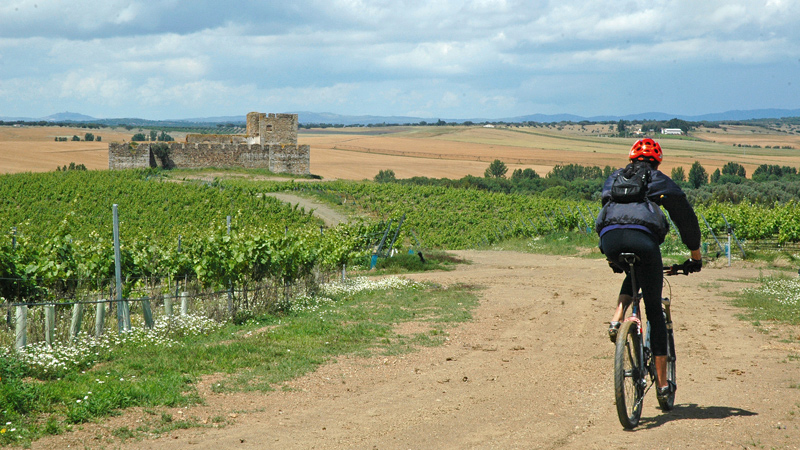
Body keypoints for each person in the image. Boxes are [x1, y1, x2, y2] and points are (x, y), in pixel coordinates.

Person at [596, 138, 702, 401]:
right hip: (643, 241)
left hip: (609, 240)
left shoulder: (614, 178)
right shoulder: (658, 179)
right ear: (657, 162)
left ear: (631, 158)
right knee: (654, 310)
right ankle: (663, 385)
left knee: (633, 272)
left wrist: (611, 255)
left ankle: (617, 316)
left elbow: (606, 208)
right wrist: (694, 254)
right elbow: (684, 216)